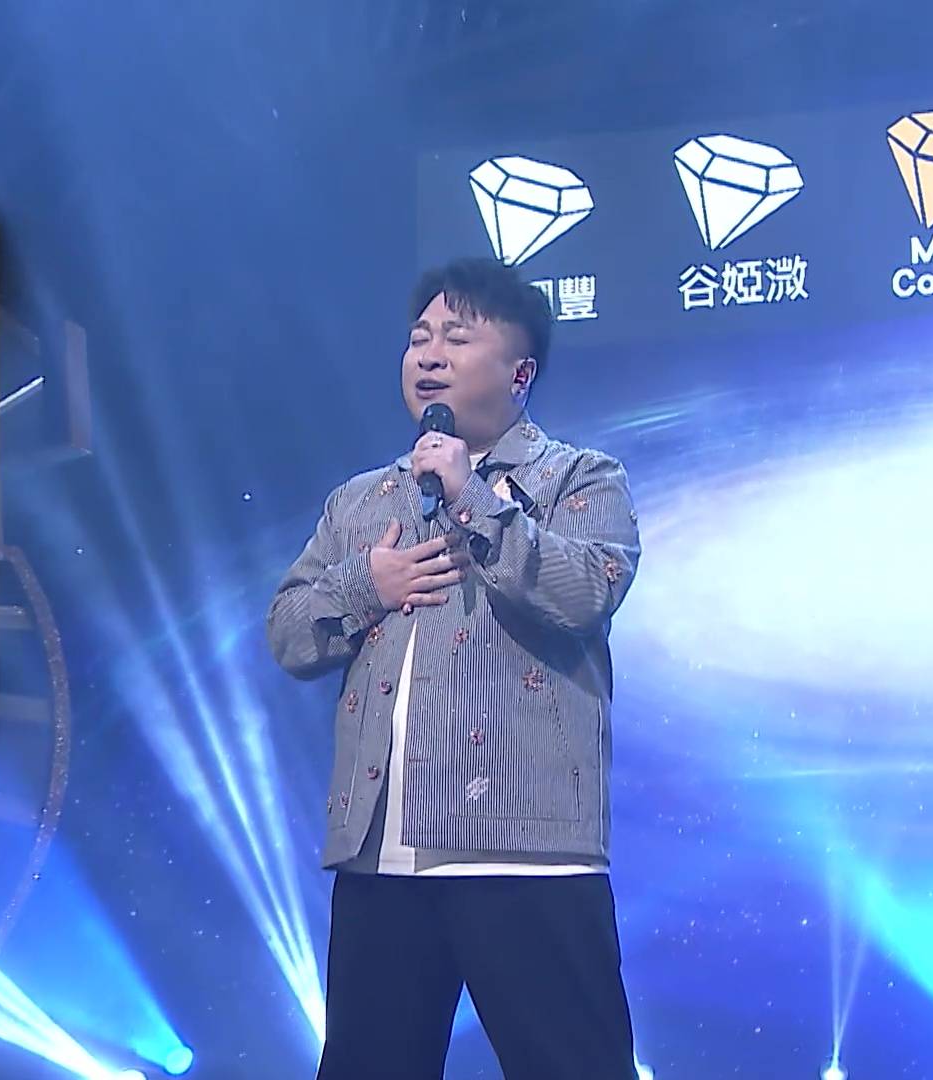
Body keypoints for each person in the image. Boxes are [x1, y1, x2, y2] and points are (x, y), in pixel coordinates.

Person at [266, 256, 642, 1080]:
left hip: (524, 854)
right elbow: (289, 634)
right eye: (418, 338)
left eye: (457, 337)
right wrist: (368, 585)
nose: (428, 354)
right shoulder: (361, 501)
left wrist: (471, 497)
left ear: (520, 373)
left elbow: (587, 591)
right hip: (381, 859)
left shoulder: (579, 478)